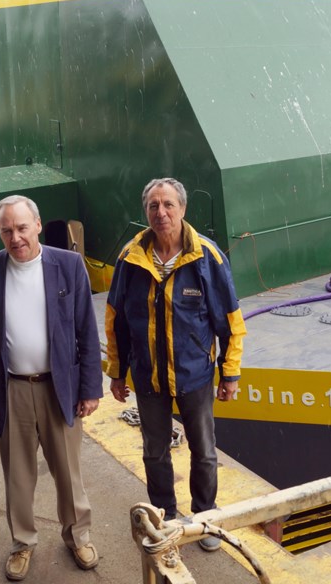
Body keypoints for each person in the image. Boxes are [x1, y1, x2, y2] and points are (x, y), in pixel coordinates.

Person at [0, 195, 103, 582]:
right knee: (18, 475)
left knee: (69, 473)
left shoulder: (69, 266)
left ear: (37, 225)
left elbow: (87, 332)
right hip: (11, 390)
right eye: (7, 230)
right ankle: (23, 542)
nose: (15, 237)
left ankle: (78, 535)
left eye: (22, 227)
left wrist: (91, 388)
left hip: (61, 387)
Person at [104, 177, 246, 551]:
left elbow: (230, 321)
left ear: (183, 209)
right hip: (148, 376)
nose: (161, 212)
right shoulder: (131, 257)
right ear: (146, 212)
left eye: (168, 205)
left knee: (204, 450)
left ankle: (204, 515)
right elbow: (115, 318)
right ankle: (164, 515)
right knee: (154, 451)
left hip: (195, 376)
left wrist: (229, 373)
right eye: (153, 206)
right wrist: (117, 373)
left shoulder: (206, 258)